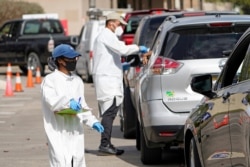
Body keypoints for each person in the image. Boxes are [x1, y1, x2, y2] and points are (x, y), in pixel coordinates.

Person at [92, 12, 149, 155]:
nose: (121, 28)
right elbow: (122, 50)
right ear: (111, 23)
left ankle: (106, 143)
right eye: (119, 24)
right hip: (107, 80)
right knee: (109, 112)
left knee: (109, 112)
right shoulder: (106, 36)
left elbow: (111, 57)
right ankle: (104, 144)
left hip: (109, 77)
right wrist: (139, 48)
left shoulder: (107, 37)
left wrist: (123, 66)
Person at [41, 44, 104, 167]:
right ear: (60, 60)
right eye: (70, 59)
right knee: (61, 162)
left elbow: (82, 106)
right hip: (58, 132)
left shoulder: (77, 81)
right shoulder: (50, 80)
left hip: (75, 132)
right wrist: (68, 102)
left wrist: (92, 121)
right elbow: (51, 101)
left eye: (75, 58)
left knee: (77, 161)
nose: (74, 61)